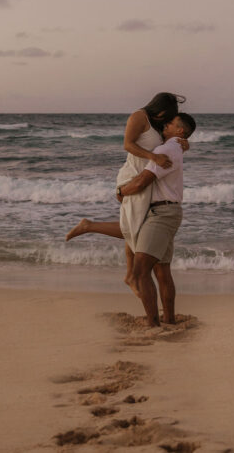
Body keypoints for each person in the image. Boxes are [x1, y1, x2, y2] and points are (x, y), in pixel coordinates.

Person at [66, 93, 187, 291]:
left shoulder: (157, 124)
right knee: (135, 227)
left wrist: (182, 142)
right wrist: (153, 158)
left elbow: (166, 148)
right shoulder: (139, 116)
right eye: (169, 115)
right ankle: (90, 228)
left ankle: (129, 273)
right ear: (162, 109)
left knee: (136, 224)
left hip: (147, 180)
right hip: (133, 178)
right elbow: (128, 144)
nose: (167, 121)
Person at [115, 112, 196, 326]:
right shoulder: (177, 146)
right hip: (170, 211)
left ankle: (153, 325)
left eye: (170, 122)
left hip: (161, 214)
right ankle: (168, 319)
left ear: (179, 130)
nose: (166, 124)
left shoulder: (166, 149)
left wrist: (122, 191)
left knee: (141, 271)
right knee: (162, 270)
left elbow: (143, 180)